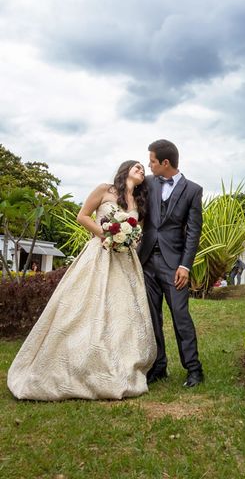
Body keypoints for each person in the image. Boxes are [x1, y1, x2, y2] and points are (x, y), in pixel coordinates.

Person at [7, 161, 156, 400]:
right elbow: (82, 216)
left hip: (125, 261)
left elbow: (137, 231)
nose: (141, 170)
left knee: (122, 313)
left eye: (144, 169)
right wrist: (108, 235)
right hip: (100, 253)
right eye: (137, 166)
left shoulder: (138, 202)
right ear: (125, 169)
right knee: (84, 308)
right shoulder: (105, 189)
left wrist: (128, 239)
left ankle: (119, 364)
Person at [138, 139, 204, 388]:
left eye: (152, 160)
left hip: (174, 265)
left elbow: (193, 232)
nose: (149, 165)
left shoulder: (193, 190)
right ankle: (159, 366)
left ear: (166, 163)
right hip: (146, 262)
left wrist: (185, 266)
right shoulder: (148, 183)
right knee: (152, 317)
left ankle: (194, 369)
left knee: (180, 315)